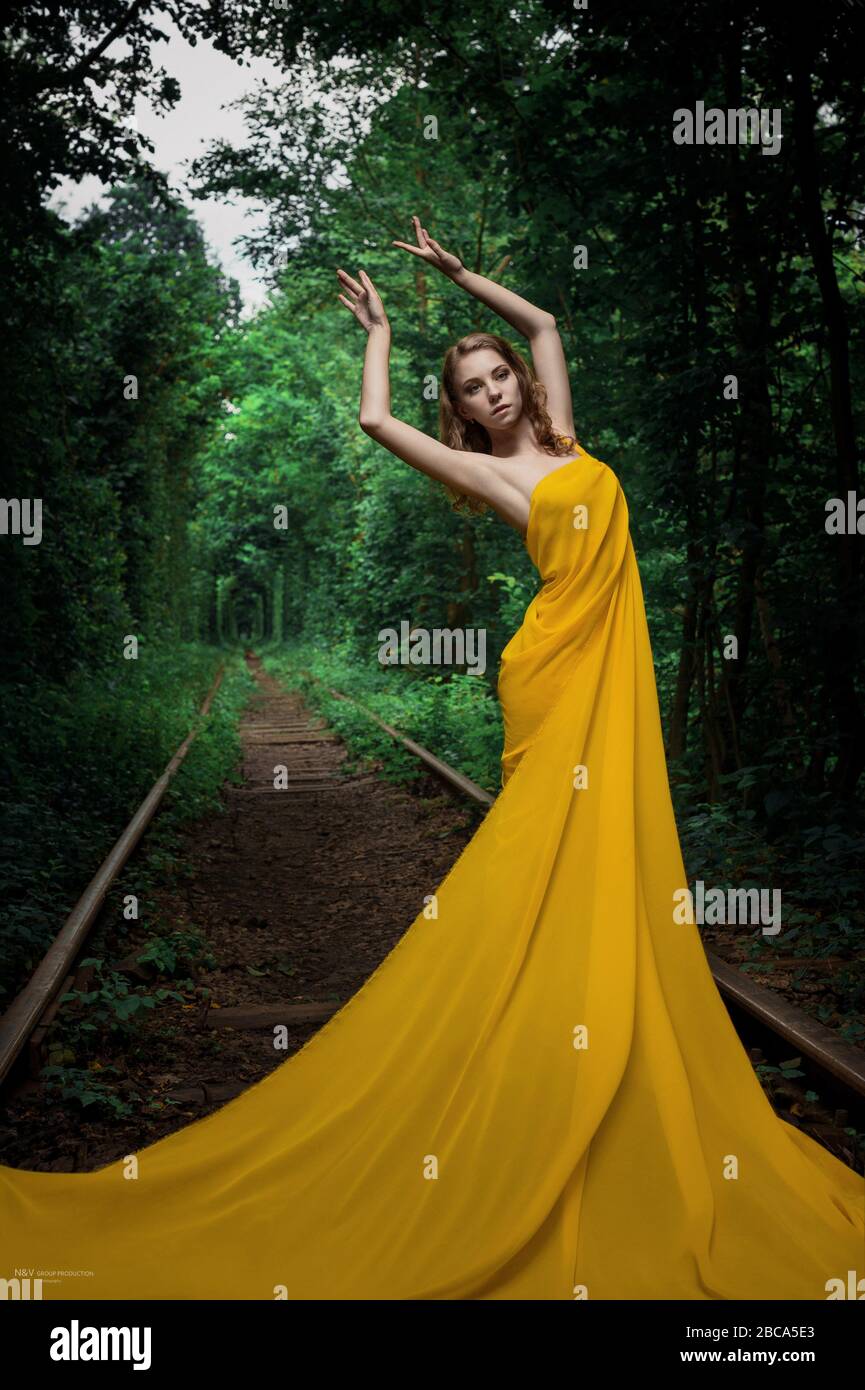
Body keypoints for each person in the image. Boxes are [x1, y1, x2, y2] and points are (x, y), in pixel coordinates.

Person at [0, 221, 862, 1302]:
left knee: (610, 862)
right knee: (547, 851)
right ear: (457, 407)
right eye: (474, 386)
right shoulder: (484, 469)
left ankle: (591, 1036)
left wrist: (460, 275)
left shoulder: (570, 440)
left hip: (610, 675)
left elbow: (546, 319)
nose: (496, 390)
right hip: (553, 676)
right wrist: (382, 330)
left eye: (499, 376)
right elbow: (370, 418)